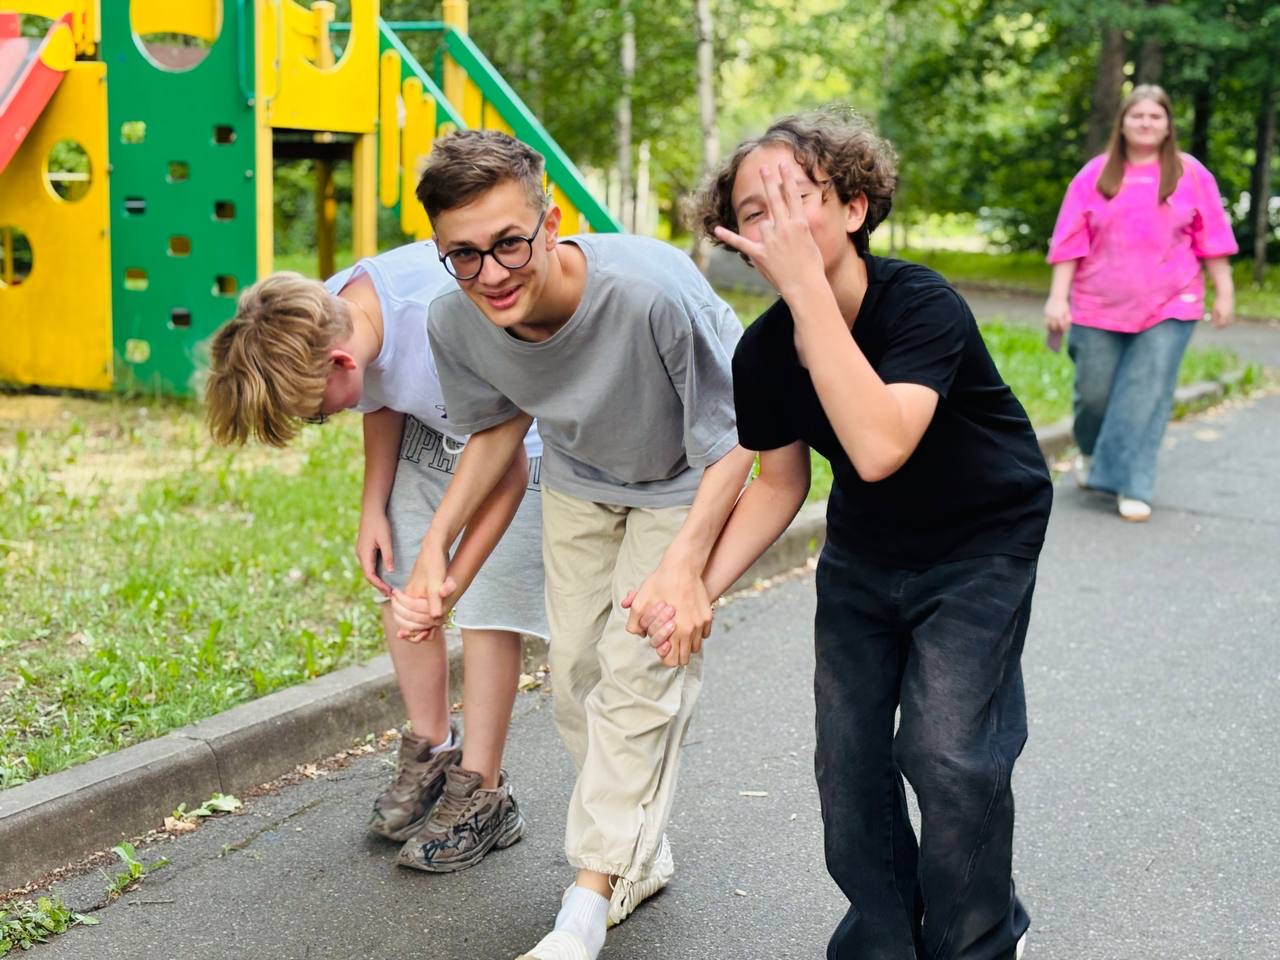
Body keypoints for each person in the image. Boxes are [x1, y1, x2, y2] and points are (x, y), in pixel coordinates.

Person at [666, 108, 1051, 960]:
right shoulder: (764, 354)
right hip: (868, 552)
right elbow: (780, 482)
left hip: (982, 541)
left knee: (948, 753)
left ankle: (980, 939)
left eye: (798, 195)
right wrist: (696, 584)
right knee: (848, 769)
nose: (777, 223)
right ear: (735, 237)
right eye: (754, 211)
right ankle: (883, 938)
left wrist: (809, 297)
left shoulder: (920, 306)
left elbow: (877, 447)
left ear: (854, 207)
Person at [389, 128, 753, 960]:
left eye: (509, 243)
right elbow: (494, 431)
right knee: (577, 679)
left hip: (688, 482)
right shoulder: (458, 320)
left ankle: (586, 902)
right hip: (584, 480)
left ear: (550, 222)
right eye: (464, 255)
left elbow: (740, 439)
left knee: (638, 679)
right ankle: (636, 850)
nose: (491, 274)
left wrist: (686, 564)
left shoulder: (649, 292)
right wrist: (433, 554)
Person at [203, 241, 549, 873]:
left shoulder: (435, 318)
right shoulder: (331, 308)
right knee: (403, 589)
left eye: (313, 414)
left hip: (515, 436)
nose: (319, 420)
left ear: (337, 361)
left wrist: (448, 566)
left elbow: (507, 461)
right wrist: (375, 507)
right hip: (431, 424)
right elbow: (380, 394)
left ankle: (483, 790)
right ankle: (433, 753)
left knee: (486, 608)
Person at [1044, 84, 1238, 522]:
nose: (1146, 123)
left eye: (1155, 116)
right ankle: (1093, 454)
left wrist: (1224, 292)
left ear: (1168, 125)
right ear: (1123, 123)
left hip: (1172, 302)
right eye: (1138, 116)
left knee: (1145, 394)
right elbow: (1069, 241)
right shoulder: (1095, 175)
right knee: (1093, 396)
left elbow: (1213, 240)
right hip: (1097, 304)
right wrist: (1058, 299)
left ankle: (1132, 483)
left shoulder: (1190, 175)